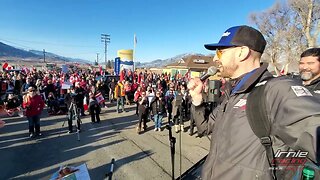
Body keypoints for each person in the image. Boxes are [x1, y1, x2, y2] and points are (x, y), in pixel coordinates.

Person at [187, 25, 320, 179]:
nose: (215, 58)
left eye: (220, 52)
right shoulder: (233, 93)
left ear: (242, 52)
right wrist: (197, 99)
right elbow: (204, 128)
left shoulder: (277, 89)